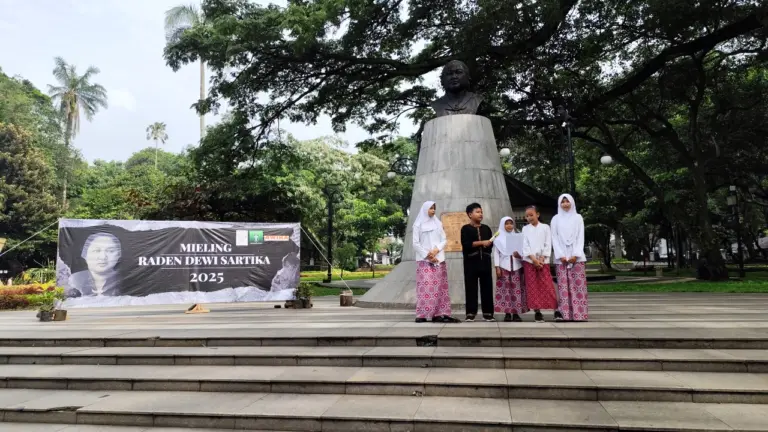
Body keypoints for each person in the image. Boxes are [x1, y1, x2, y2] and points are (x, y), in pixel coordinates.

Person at [412, 201, 458, 323]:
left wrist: (436, 249)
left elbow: (444, 239)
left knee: (440, 287)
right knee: (425, 287)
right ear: (425, 209)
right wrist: (428, 255)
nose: (433, 210)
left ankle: (439, 313)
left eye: (434, 208)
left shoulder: (438, 223)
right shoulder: (418, 225)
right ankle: (422, 314)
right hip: (424, 260)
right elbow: (415, 244)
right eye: (430, 208)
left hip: (439, 260)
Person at [551, 194, 589, 321]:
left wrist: (575, 254)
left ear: (572, 203)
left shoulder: (578, 218)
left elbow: (580, 237)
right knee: (563, 287)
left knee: (578, 286)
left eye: (567, 201)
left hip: (576, 258)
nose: (565, 204)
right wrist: (561, 255)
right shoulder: (555, 219)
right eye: (563, 202)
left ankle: (579, 314)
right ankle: (565, 314)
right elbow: (554, 238)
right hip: (561, 258)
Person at [521, 206, 559, 323]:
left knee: (548, 285)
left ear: (537, 214)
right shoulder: (525, 229)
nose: (529, 218)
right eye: (527, 216)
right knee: (532, 287)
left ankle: (556, 310)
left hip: (544, 261)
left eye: (531, 215)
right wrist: (534, 259)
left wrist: (541, 259)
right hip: (529, 262)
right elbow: (525, 245)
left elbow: (548, 243)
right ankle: (537, 312)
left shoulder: (545, 227)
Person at [460, 202, 495, 322]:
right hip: (471, 263)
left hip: (485, 261)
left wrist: (487, 245)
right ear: (470, 214)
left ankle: (488, 313)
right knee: (471, 287)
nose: (481, 214)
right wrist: (482, 243)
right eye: (478, 212)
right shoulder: (465, 229)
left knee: (487, 287)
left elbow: (491, 245)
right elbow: (466, 245)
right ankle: (470, 313)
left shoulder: (486, 228)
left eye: (481, 212)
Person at [493, 217, 528, 322]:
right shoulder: (498, 238)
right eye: (506, 224)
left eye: (511, 223)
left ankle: (516, 313)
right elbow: (496, 254)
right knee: (506, 291)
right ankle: (507, 313)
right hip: (504, 267)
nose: (509, 226)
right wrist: (497, 267)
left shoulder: (517, 237)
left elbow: (523, 251)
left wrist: (519, 255)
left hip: (516, 267)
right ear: (502, 225)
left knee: (516, 291)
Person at [66, 232, 122, 297]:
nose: (103, 257)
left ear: (118, 255)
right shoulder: (74, 280)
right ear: (85, 254)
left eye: (110, 251)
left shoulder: (125, 280)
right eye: (96, 251)